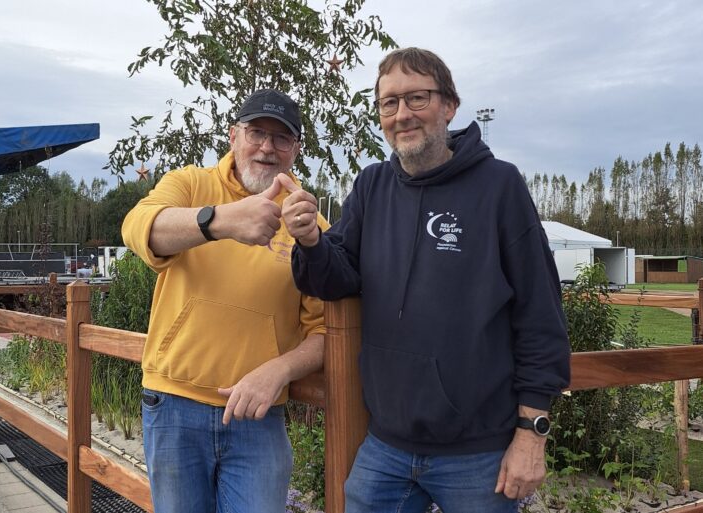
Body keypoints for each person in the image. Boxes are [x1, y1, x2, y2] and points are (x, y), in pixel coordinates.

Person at [283, 48, 571, 512]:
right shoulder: (371, 186)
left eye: (416, 98)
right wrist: (311, 241)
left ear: (449, 105)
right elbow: (334, 280)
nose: (402, 115)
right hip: (385, 448)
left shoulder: (499, 187)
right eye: (389, 104)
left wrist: (531, 436)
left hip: (479, 455)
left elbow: (540, 317)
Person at [122, 89, 328, 513]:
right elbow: (138, 228)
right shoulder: (191, 184)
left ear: (296, 151)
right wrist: (219, 221)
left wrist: (280, 370)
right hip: (173, 404)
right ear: (233, 136)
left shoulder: (309, 223)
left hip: (259, 414)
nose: (267, 147)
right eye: (256, 132)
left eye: (281, 138)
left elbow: (326, 330)